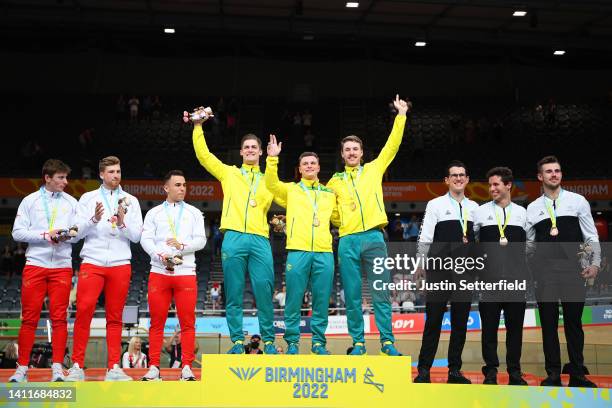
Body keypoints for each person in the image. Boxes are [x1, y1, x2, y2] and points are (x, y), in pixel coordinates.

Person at [191, 107, 284, 354]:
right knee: (232, 293)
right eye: (247, 147)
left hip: (260, 239)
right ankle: (236, 342)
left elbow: (289, 198)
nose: (251, 150)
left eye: (255, 147)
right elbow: (204, 156)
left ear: (261, 152)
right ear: (241, 152)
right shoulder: (229, 173)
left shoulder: (269, 180)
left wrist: (274, 160)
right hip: (233, 237)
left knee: (264, 292)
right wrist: (198, 127)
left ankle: (270, 342)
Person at [326, 95, 408, 356]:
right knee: (351, 295)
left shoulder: (374, 169)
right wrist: (343, 221)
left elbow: (392, 146)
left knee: (381, 293)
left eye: (355, 149)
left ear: (361, 153)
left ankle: (387, 342)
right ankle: (358, 342)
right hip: (348, 240)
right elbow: (329, 213)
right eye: (347, 149)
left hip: (374, 237)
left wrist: (401, 116)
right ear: (342, 154)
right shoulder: (334, 182)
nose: (351, 153)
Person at [66, 156, 143, 382]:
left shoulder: (131, 200)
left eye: (118, 171)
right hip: (93, 261)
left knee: (115, 317)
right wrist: (93, 219)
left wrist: (122, 223)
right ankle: (78, 365)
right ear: (101, 174)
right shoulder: (88, 198)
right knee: (84, 312)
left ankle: (113, 367)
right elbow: (75, 233)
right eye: (111, 172)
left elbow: (137, 236)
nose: (116, 175)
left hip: (120, 263)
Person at [526, 156, 599, 388]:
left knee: (573, 324)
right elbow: (529, 245)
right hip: (544, 274)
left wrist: (595, 263)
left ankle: (578, 374)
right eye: (549, 171)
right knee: (548, 325)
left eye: (557, 170)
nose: (554, 174)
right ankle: (553, 374)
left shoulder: (578, 201)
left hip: (573, 271)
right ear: (540, 176)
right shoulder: (532, 208)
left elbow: (591, 236)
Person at [265, 137, 338, 355]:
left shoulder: (329, 194)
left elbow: (338, 218)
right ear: (299, 169)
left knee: (322, 301)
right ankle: (293, 342)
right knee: (293, 300)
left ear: (318, 167)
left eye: (312, 163)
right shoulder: (292, 190)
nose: (309, 166)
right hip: (298, 251)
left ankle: (318, 343)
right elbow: (270, 184)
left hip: (324, 252)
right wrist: (272, 159)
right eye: (305, 164)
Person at [9, 159, 78, 383]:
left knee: (60, 319)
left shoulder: (71, 202)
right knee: (29, 319)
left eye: (66, 177)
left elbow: (81, 231)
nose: (65, 182)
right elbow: (17, 233)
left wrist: (70, 234)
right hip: (36, 264)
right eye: (60, 178)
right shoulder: (29, 201)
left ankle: (57, 367)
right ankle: (22, 369)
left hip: (62, 266)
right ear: (47, 178)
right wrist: (46, 235)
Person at [413, 160, 479, 384]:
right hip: (438, 270)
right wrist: (420, 264)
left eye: (462, 175)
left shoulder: (475, 208)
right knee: (433, 321)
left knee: (460, 322)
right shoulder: (435, 204)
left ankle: (454, 371)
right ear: (447, 180)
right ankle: (423, 370)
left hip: (464, 272)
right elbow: (425, 236)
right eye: (454, 175)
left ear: (467, 179)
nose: (458, 178)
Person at [139, 170, 206, 381]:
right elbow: (145, 239)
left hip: (185, 272)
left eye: (184, 185)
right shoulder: (154, 213)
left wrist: (181, 247)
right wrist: (159, 255)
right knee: (156, 323)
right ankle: (154, 368)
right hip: (159, 272)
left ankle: (186, 367)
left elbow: (201, 240)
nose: (182, 188)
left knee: (188, 323)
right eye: (177, 185)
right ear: (166, 188)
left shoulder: (194, 212)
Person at [473, 167, 528, 386]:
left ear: (508, 185)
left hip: (515, 281)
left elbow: (531, 244)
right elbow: (473, 241)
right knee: (489, 330)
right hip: (489, 282)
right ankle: (491, 372)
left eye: (496, 184)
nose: (491, 188)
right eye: (490, 185)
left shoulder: (523, 213)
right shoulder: (480, 212)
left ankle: (515, 372)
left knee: (515, 330)